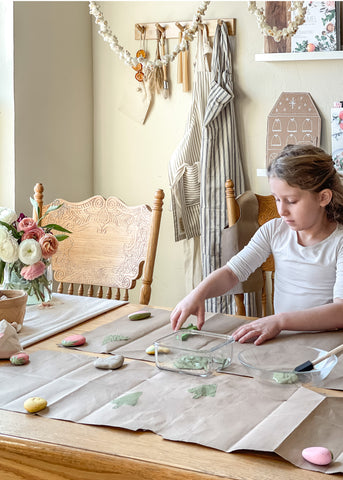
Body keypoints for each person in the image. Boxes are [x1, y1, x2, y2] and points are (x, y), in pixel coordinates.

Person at [170, 144, 343, 345]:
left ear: (323, 197)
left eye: (291, 201)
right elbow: (232, 273)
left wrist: (279, 321)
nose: (282, 211)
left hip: (329, 346)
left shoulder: (339, 242)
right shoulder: (274, 230)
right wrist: (197, 294)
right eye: (277, 199)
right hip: (283, 340)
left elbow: (340, 312)